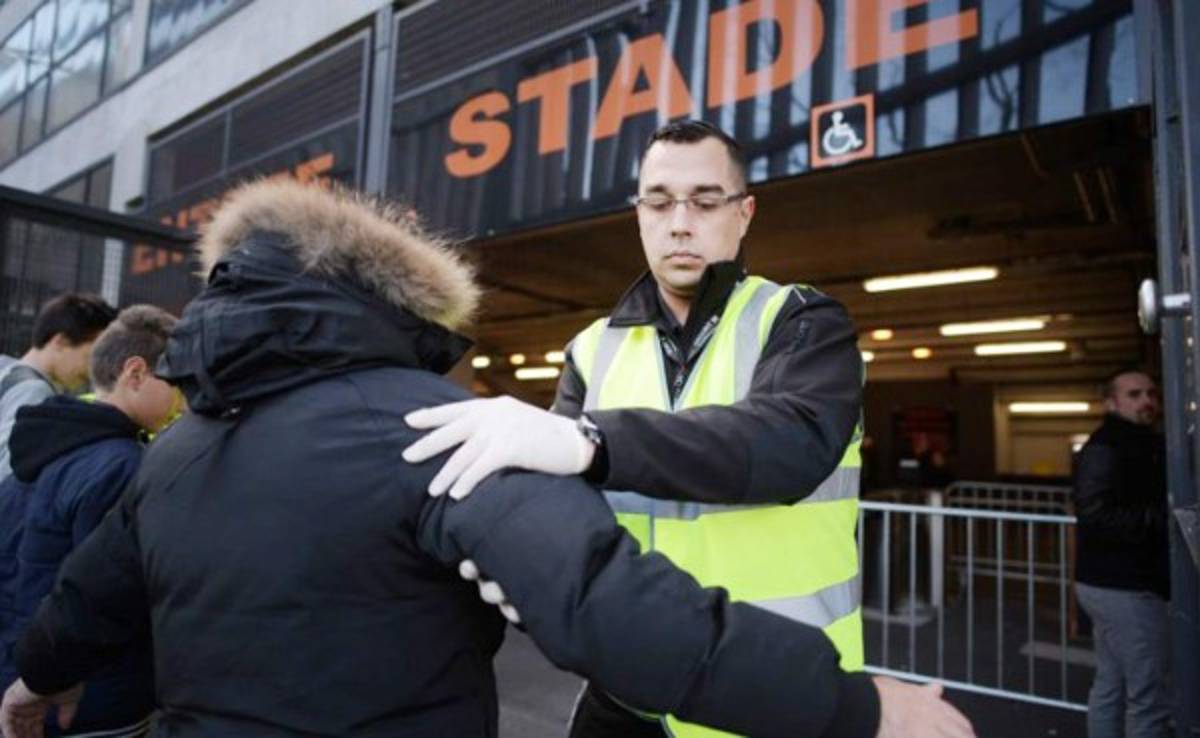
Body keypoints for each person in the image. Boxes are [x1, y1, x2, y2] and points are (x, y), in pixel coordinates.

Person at [0, 179, 972, 738]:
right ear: (400, 304)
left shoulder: (175, 450)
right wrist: (855, 708)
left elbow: (91, 595)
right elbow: (606, 607)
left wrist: (37, 678)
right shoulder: (441, 426)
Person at [404, 119, 866, 738]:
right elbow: (557, 506)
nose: (681, 222)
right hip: (630, 691)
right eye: (659, 201)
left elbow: (791, 441)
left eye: (705, 201)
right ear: (639, 214)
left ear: (744, 213)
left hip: (772, 691)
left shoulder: (801, 321)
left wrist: (589, 442)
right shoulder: (591, 349)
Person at [0, 305, 181, 738]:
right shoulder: (121, 466)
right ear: (135, 373)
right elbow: (105, 595)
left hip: (23, 671)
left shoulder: (43, 443)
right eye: (176, 383)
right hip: (84, 697)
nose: (184, 400)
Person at [1072, 369, 1171, 738]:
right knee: (1148, 695)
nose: (1146, 401)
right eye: (1134, 394)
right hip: (1124, 586)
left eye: (1151, 394)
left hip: (1113, 582)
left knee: (1112, 683)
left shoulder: (1139, 443)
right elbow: (1094, 512)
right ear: (1111, 403)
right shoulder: (1106, 447)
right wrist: (1161, 518)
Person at [0, 294, 117, 483]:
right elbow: (8, 472)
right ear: (61, 341)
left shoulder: (4, 368)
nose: (92, 370)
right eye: (90, 357)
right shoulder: (35, 392)